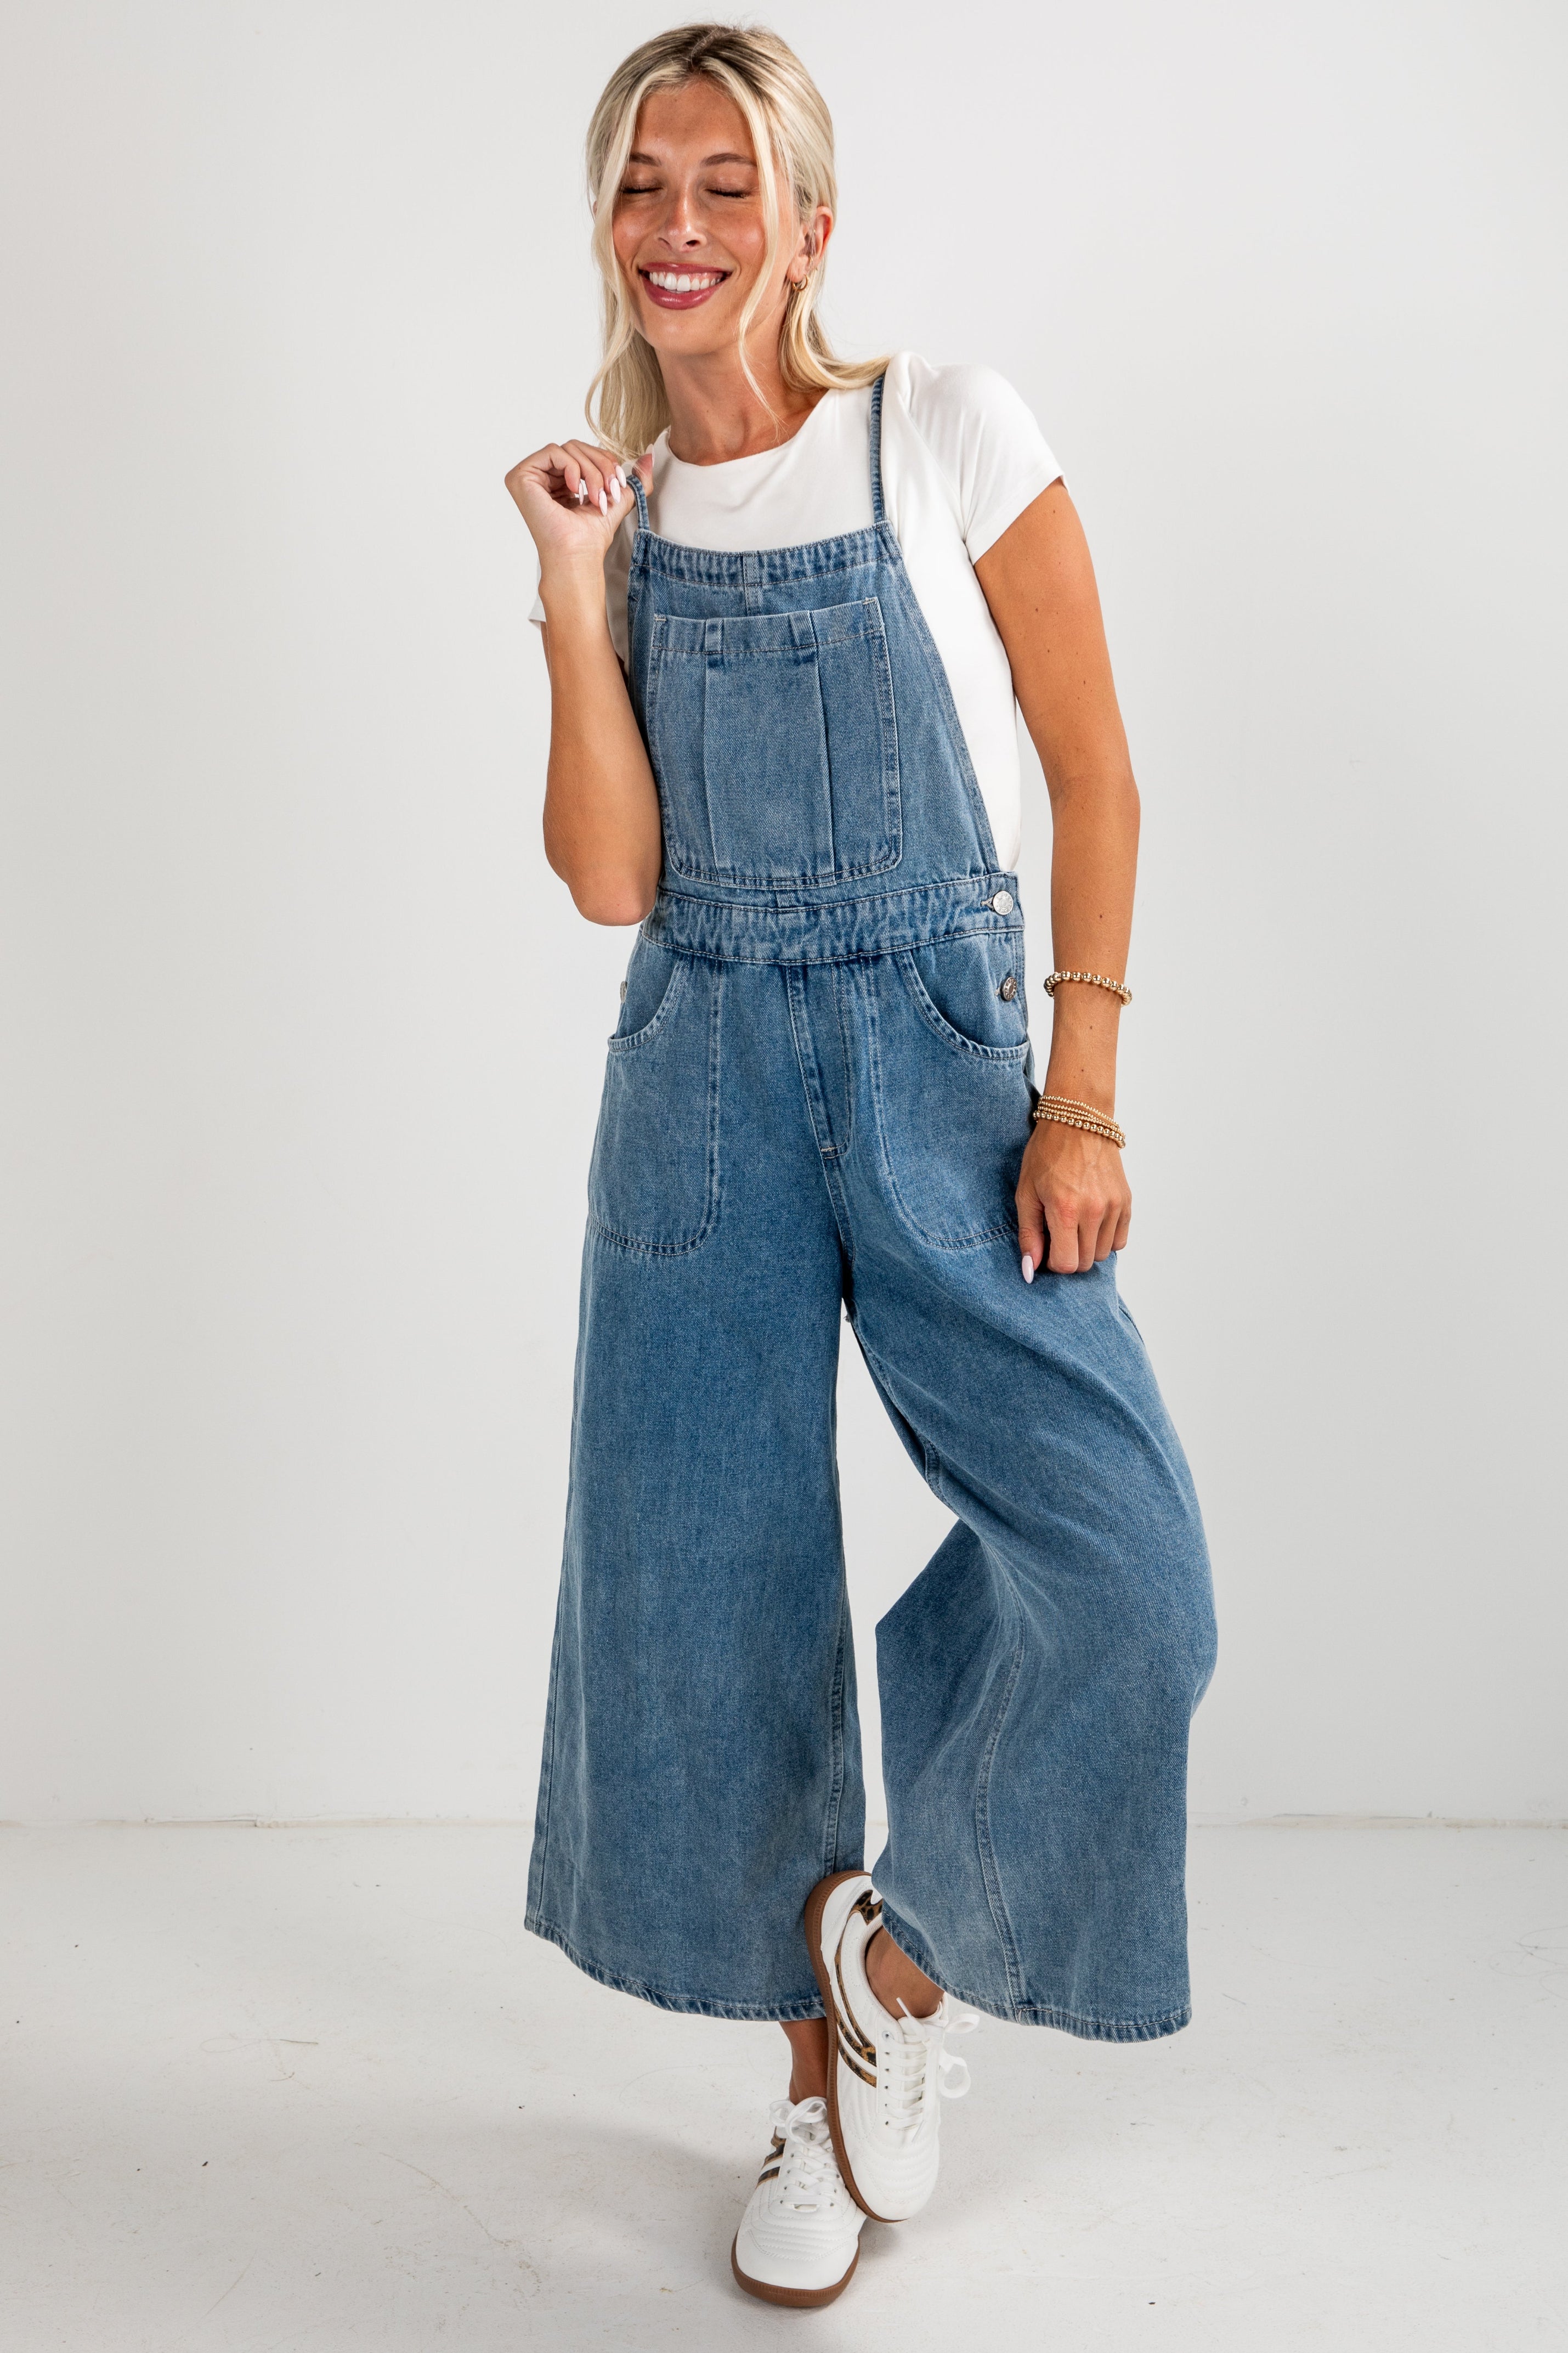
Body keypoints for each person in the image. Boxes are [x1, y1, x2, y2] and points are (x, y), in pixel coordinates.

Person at [505, 21, 1216, 2311]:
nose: (685, 225)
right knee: (706, 1606)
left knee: (1130, 1577)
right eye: (647, 184)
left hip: (941, 1063)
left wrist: (1078, 1091)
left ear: (810, 226)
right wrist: (559, 583)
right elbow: (611, 880)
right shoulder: (613, 512)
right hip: (696, 1074)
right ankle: (811, 2089)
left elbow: (1096, 776)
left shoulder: (942, 428)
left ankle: (895, 1977)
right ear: (610, 229)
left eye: (732, 183)